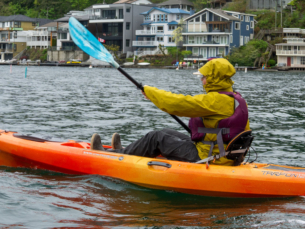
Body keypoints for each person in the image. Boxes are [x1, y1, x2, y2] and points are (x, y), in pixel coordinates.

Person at [90, 58, 250, 166]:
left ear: (214, 78)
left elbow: (178, 103)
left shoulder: (216, 101)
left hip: (211, 157)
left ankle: (113, 156)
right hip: (223, 153)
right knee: (166, 132)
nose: (202, 80)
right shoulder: (235, 98)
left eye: (204, 77)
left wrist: (150, 92)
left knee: (156, 137)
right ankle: (125, 151)